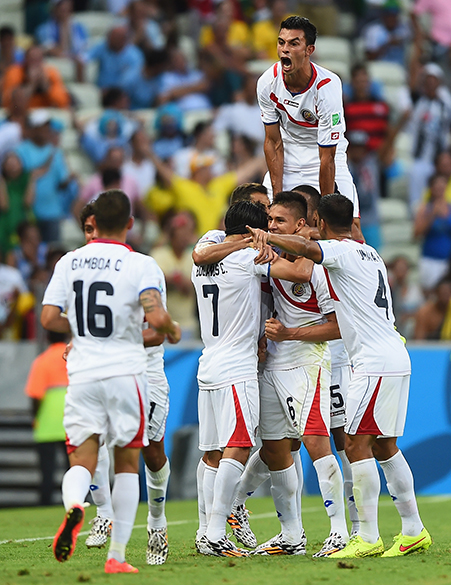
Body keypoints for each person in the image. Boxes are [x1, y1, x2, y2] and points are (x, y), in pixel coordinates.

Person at [247, 193, 432, 558]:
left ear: (321, 223)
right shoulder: (370, 252)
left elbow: (305, 252)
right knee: (384, 445)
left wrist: (267, 237)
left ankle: (366, 536)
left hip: (373, 362)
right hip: (394, 354)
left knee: (354, 443)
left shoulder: (340, 251)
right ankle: (413, 530)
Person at [41, 189, 181, 573]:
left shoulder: (68, 262)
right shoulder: (141, 265)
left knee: (83, 459)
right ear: (130, 224)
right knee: (127, 463)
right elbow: (156, 318)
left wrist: (86, 332)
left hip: (85, 373)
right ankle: (117, 556)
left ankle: (76, 507)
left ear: (94, 225)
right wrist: (171, 328)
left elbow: (49, 319)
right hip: (127, 373)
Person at [192, 200, 310, 557]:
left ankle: (204, 533)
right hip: (236, 368)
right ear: (253, 231)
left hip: (208, 362)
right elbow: (301, 273)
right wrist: (305, 237)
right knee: (240, 445)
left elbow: (201, 255)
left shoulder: (205, 254)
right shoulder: (249, 258)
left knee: (213, 452)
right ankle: (215, 531)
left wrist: (243, 241)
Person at [239, 192, 348, 557]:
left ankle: (338, 533)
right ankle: (292, 535)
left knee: (317, 443)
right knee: (275, 448)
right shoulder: (273, 260)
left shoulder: (317, 268)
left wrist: (290, 334)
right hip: (273, 363)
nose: (271, 228)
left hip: (307, 361)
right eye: (269, 222)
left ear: (301, 225)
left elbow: (337, 327)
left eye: (279, 222)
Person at [78, 201, 177, 565]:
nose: (92, 237)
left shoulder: (142, 268)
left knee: (150, 452)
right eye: (86, 230)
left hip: (144, 372)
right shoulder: (78, 269)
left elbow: (156, 333)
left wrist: (109, 341)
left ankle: (156, 521)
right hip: (103, 371)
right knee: (93, 438)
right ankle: (103, 512)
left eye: (95, 229)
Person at [256, 16, 362, 238]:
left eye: (293, 43)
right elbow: (273, 142)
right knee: (271, 225)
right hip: (290, 153)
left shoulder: (327, 86)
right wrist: (278, 198)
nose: (285, 50)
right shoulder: (267, 82)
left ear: (308, 49)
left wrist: (326, 212)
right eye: (281, 42)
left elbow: (327, 158)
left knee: (349, 230)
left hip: (325, 154)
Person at [24, 329, 70, 506]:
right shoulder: (73, 358)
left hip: (48, 422)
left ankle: (45, 503)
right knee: (75, 467)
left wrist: (35, 417)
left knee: (47, 470)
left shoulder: (42, 361)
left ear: (47, 337)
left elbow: (35, 395)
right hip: (71, 420)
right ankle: (76, 502)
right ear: (66, 336)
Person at [414, 173, 451, 293]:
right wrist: (432, 215)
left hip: (447, 261)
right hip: (430, 260)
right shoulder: (425, 209)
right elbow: (416, 234)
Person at [2, 45, 70, 109]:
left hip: (45, 114)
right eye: (32, 60)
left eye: (38, 60)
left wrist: (46, 87)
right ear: (25, 61)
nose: (35, 64)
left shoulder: (50, 73)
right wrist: (31, 85)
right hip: (23, 113)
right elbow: (7, 103)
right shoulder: (14, 72)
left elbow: (63, 103)